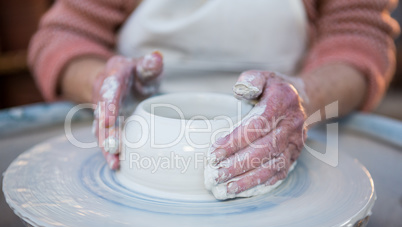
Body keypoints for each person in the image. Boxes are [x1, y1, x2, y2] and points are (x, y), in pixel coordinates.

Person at [28, 0, 399, 196]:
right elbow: (59, 37)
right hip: (142, 127)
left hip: (282, 130)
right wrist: (101, 80)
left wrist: (304, 98)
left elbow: (360, 39)